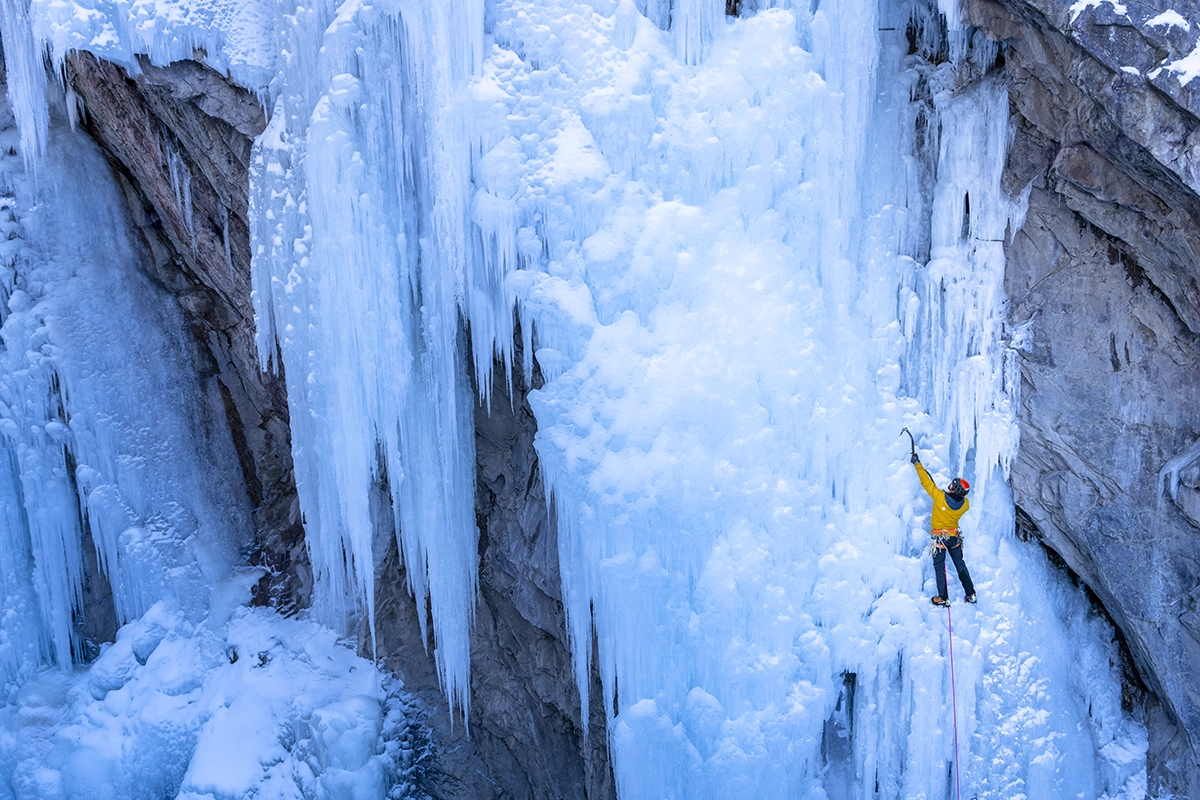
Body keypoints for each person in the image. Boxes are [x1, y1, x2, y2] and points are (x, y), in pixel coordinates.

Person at [911, 451, 976, 606]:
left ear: (954, 489)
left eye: (953, 485)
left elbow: (926, 483)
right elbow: (952, 499)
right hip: (954, 537)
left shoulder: (939, 497)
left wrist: (917, 464)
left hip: (940, 538)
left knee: (940, 567)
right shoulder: (965, 505)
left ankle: (943, 597)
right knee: (959, 563)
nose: (951, 485)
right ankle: (971, 594)